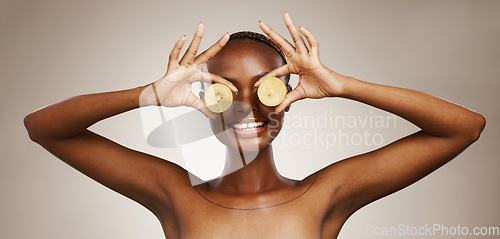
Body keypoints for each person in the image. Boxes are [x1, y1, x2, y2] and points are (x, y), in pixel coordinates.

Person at [24, 13, 485, 238]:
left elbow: (464, 127)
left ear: (287, 98)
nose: (249, 108)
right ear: (206, 99)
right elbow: (43, 127)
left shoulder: (327, 194)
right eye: (227, 89)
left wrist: (342, 84)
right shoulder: (174, 194)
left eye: (265, 89)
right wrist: (150, 96)